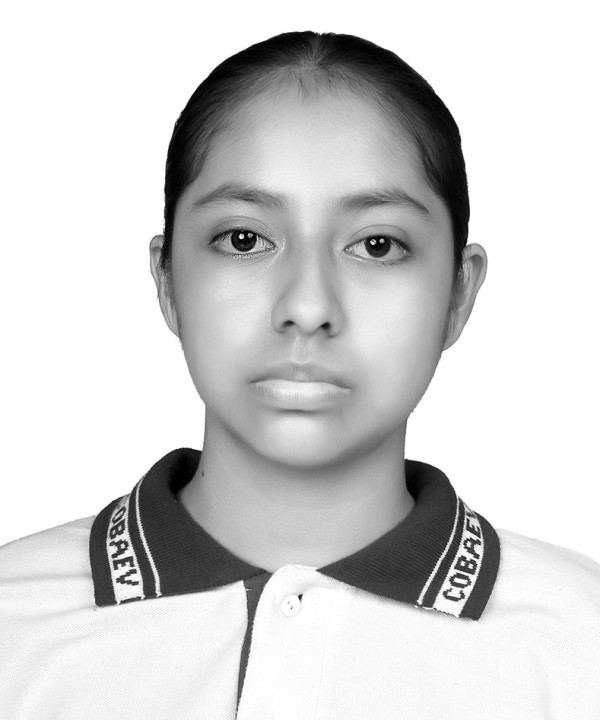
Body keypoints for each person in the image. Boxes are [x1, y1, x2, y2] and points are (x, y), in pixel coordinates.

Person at [1, 30, 598, 720]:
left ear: (458, 293)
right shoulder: (15, 630)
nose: (308, 308)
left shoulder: (582, 647)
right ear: (167, 280)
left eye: (378, 245)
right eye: (245, 239)